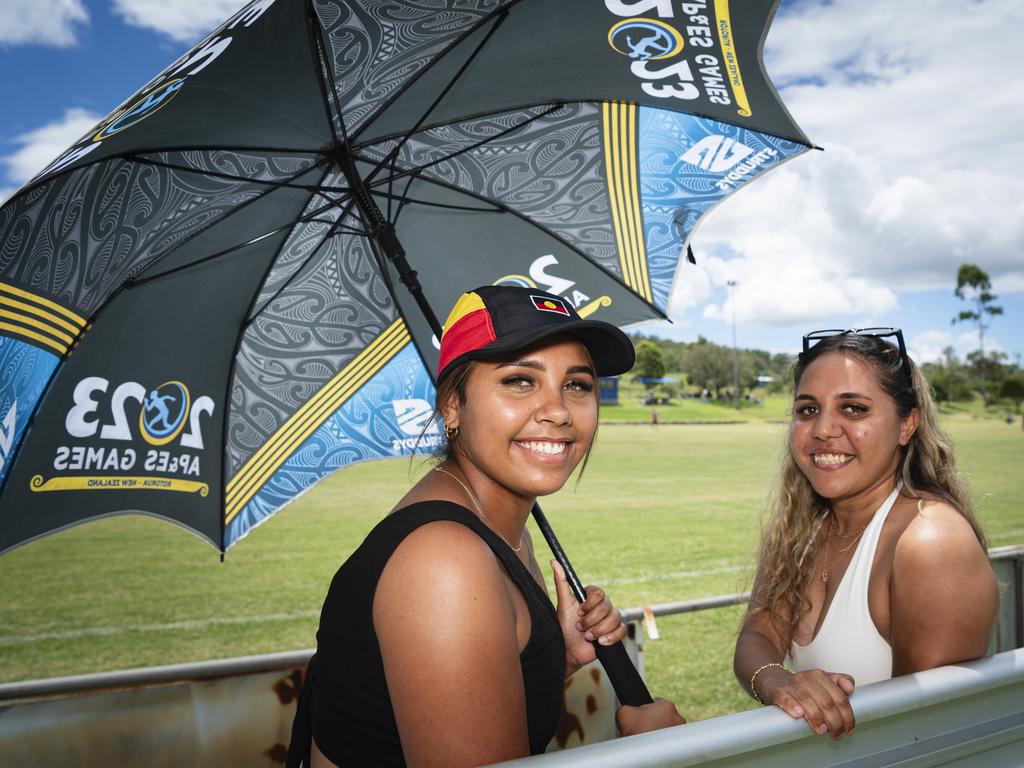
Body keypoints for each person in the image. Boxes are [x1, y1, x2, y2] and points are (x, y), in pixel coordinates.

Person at [288, 285, 684, 767]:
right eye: (520, 380)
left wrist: (553, 655)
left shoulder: (502, 529)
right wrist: (652, 757)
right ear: (452, 407)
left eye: (577, 385)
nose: (558, 411)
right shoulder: (445, 562)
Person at [734, 327, 998, 741]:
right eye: (807, 409)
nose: (823, 429)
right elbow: (758, 634)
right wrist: (776, 681)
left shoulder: (928, 542)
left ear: (907, 424)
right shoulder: (800, 528)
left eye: (853, 409)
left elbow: (927, 738)